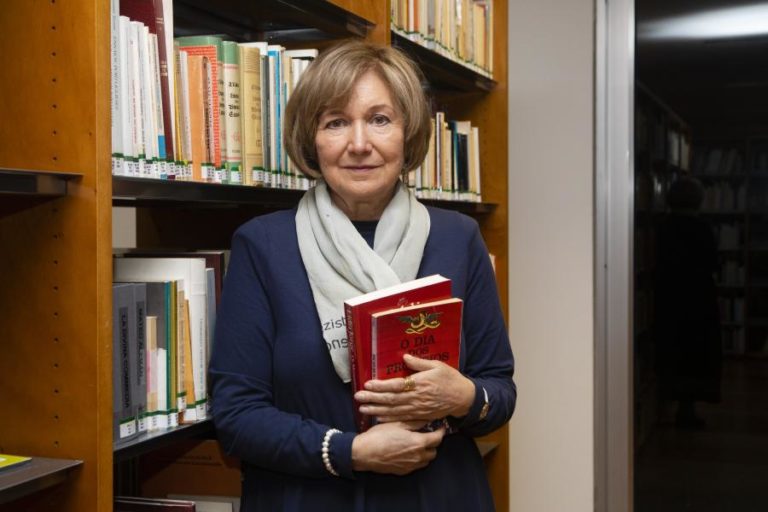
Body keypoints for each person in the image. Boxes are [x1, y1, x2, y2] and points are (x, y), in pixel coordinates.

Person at [208, 39, 516, 511]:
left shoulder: (458, 239)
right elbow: (235, 415)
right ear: (310, 138)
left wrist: (463, 396)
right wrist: (349, 452)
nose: (358, 144)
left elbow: (500, 388)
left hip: (438, 496)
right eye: (336, 122)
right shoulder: (263, 246)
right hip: (307, 498)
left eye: (379, 119)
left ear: (408, 133)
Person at [653, 176, 722, 429]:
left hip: (669, 299)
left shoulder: (663, 227)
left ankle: (669, 405)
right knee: (696, 354)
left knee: (674, 352)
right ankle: (687, 408)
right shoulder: (702, 228)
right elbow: (713, 264)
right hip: (698, 299)